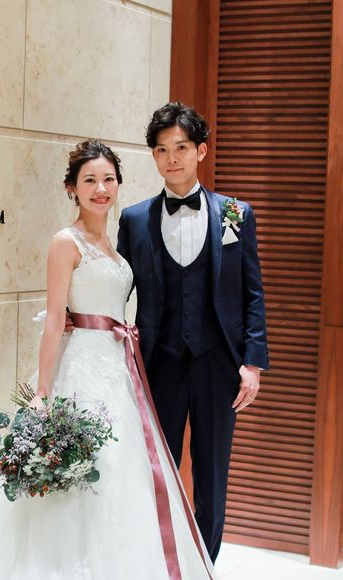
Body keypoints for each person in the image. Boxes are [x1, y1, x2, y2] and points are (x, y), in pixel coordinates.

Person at [0, 140, 217, 579]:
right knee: (82, 477)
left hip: (118, 370)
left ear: (118, 184)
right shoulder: (65, 243)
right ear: (72, 188)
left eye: (108, 179)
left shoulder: (114, 246)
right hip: (81, 369)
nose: (100, 189)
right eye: (90, 180)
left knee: (122, 477)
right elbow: (54, 320)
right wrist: (42, 393)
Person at [117, 102, 269, 563]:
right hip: (159, 363)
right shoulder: (134, 219)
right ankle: (157, 564)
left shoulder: (236, 214)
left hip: (218, 364)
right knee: (155, 472)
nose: (172, 159)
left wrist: (253, 363)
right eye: (162, 150)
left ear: (200, 150)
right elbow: (118, 288)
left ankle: (205, 565)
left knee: (212, 476)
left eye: (181, 147)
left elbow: (252, 292)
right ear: (154, 156)